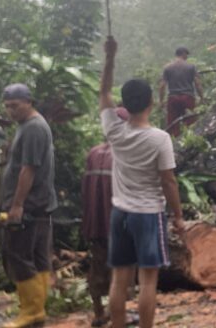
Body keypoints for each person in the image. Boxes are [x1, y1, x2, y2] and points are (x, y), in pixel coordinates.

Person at [101, 36, 187, 328]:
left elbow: (103, 93)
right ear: (152, 101)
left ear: (124, 104)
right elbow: (169, 182)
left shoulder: (114, 129)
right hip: (148, 214)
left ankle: (117, 325)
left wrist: (110, 57)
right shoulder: (160, 139)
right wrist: (177, 216)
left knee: (119, 278)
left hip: (119, 212)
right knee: (147, 281)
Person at [1, 83, 58, 328]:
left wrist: (17, 205)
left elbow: (29, 169)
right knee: (38, 257)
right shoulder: (28, 126)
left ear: (28, 102)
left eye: (15, 106)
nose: (11, 111)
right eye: (7, 107)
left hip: (30, 205)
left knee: (19, 256)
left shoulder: (34, 127)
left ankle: (31, 311)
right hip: (40, 204)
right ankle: (37, 310)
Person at [81, 108, 128, 327]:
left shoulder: (92, 153)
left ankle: (99, 312)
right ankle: (116, 314)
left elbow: (86, 191)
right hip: (118, 222)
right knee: (120, 270)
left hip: (95, 222)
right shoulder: (125, 155)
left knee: (97, 266)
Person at [159, 47, 204, 137]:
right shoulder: (191, 67)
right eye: (186, 54)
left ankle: (173, 145)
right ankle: (189, 142)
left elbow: (162, 86)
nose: (187, 57)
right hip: (188, 98)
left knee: (172, 124)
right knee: (190, 123)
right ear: (183, 54)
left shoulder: (168, 68)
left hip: (173, 98)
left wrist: (161, 101)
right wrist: (202, 97)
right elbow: (197, 84)